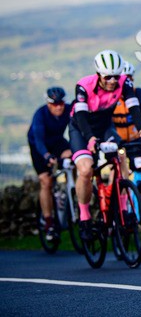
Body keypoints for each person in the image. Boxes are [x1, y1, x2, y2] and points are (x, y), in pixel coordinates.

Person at [69, 49, 141, 241]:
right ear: (99, 75)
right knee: (86, 170)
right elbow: (80, 116)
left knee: (121, 156)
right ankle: (85, 216)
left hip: (105, 126)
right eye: (108, 77)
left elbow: (134, 107)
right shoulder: (83, 86)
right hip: (81, 128)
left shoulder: (124, 82)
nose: (113, 80)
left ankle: (121, 208)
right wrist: (90, 138)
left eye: (116, 75)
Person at [27, 87, 73, 241]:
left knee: (74, 158)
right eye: (54, 104)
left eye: (61, 103)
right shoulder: (40, 115)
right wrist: (47, 156)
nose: (59, 106)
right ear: (48, 103)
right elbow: (39, 141)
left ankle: (70, 190)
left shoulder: (68, 110)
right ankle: (48, 223)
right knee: (46, 181)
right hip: (39, 147)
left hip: (57, 142)